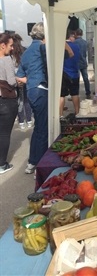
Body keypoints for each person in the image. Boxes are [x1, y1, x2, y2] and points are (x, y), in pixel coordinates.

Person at [16, 22, 49, 174]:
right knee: (43, 129)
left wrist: (32, 81)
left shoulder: (27, 52)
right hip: (41, 90)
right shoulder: (43, 48)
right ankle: (40, 166)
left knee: (38, 128)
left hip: (31, 90)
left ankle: (32, 162)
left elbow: (20, 76)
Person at [0, 33, 18, 174]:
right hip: (6, 100)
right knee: (4, 134)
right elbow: (12, 82)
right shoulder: (6, 60)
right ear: (3, 45)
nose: (12, 48)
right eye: (10, 45)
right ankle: (2, 164)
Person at [11, 33, 33, 130]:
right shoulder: (25, 50)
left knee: (19, 100)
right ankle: (29, 119)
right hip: (24, 78)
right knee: (26, 100)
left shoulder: (10, 53)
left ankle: (21, 121)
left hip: (14, 78)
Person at [60, 30, 80, 117]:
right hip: (74, 72)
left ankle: (60, 115)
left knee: (61, 95)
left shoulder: (61, 46)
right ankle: (77, 112)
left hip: (63, 74)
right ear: (70, 36)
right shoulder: (76, 46)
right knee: (75, 94)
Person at [74, 28, 91, 99]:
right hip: (84, 62)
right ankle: (88, 93)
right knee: (85, 78)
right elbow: (87, 52)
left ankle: (75, 95)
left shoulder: (74, 42)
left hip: (76, 63)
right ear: (82, 34)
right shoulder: (85, 42)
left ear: (75, 34)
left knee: (76, 79)